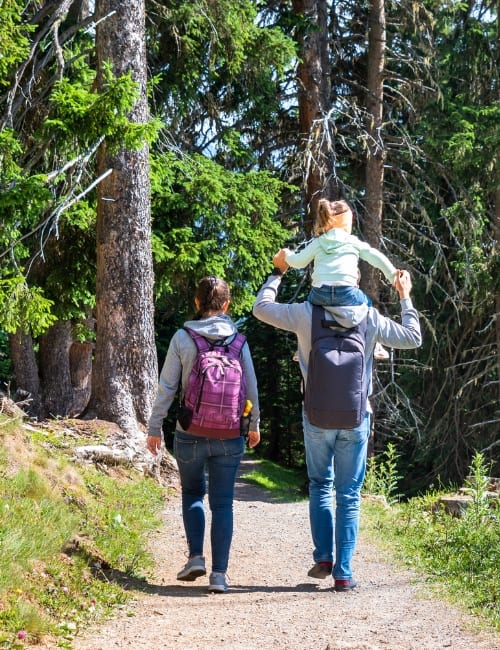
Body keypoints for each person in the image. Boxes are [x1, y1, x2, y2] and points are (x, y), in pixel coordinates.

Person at [252, 256, 421, 591]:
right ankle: (343, 572)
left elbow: (261, 307)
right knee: (349, 494)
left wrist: (279, 271)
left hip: (315, 415)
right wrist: (404, 294)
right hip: (356, 416)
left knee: (320, 485)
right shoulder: (370, 317)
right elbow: (413, 337)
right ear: (355, 282)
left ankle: (323, 557)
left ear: (319, 279)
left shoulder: (303, 313)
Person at [147, 275, 260, 594]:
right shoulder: (239, 341)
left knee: (193, 493)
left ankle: (196, 557)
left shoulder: (183, 338)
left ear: (196, 303)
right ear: (226, 305)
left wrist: (155, 426)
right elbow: (251, 386)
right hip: (229, 434)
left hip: (190, 431)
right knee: (223, 504)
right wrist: (254, 425)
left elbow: (167, 386)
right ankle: (219, 576)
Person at [275, 199, 397, 359]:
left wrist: (287, 255)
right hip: (347, 293)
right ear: (346, 223)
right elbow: (376, 257)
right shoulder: (352, 242)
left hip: (320, 294)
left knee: (307, 313)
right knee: (368, 307)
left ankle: (302, 349)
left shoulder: (318, 242)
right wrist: (393, 275)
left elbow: (298, 262)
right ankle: (377, 346)